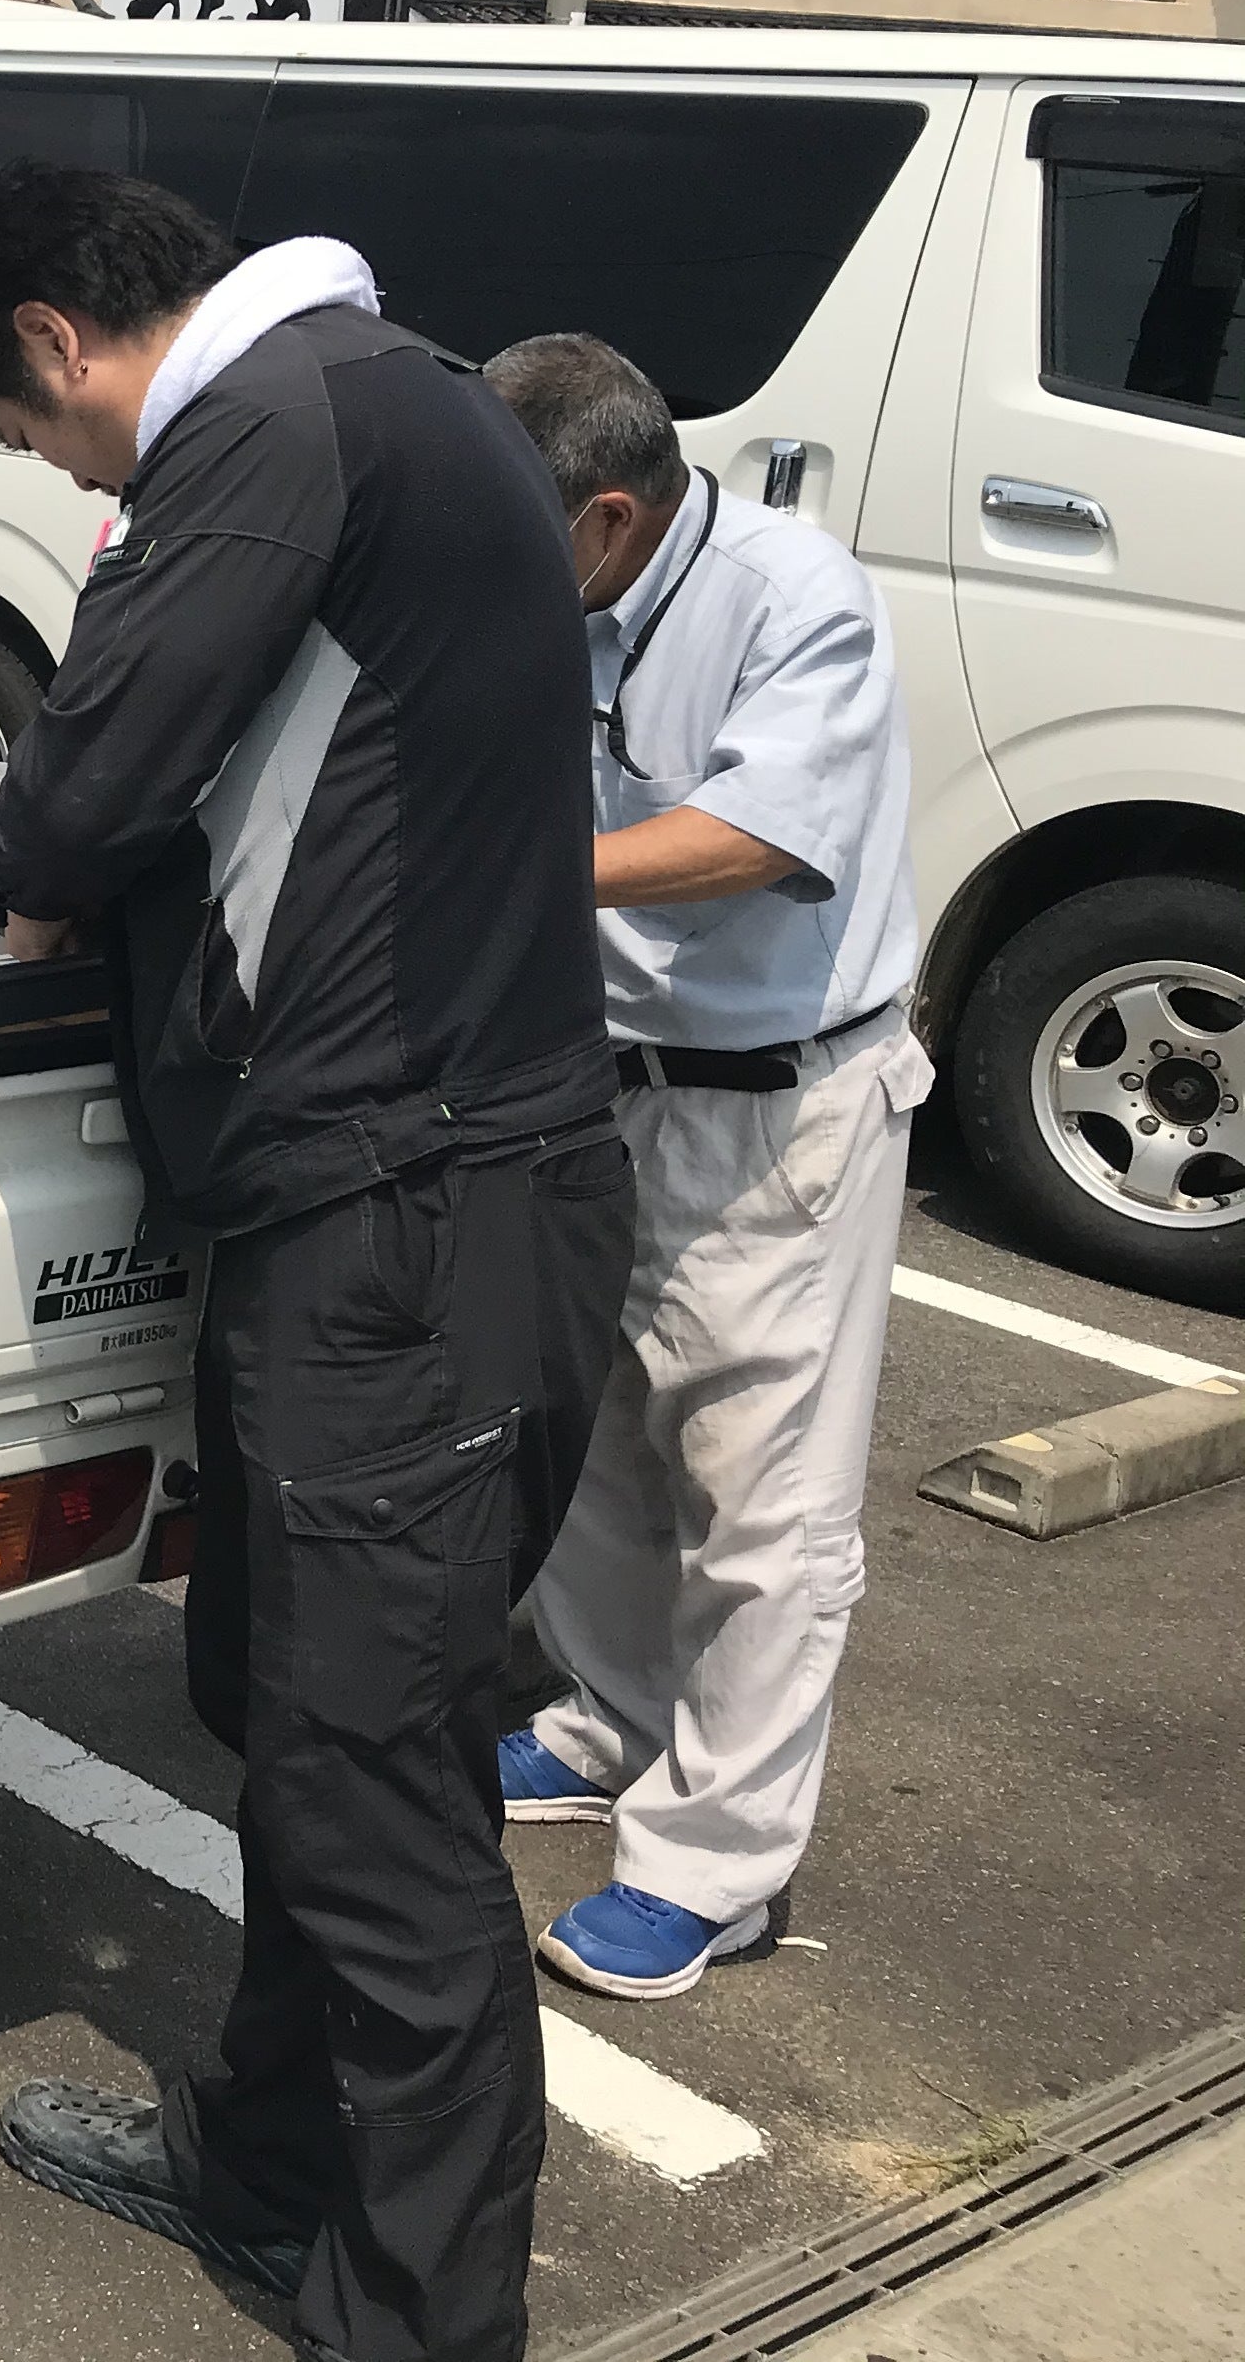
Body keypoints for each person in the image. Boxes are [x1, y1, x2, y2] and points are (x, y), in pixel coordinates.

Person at [0, 169, 628, 2362]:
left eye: (32, 435)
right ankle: (266, 2173)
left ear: (57, 343)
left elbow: (75, 799)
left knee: (373, 1793)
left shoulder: (264, 429)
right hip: (432, 1201)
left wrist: (14, 861)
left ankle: (419, 2320)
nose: (68, 478)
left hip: (405, 1218)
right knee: (307, 1730)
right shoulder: (399, 395)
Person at [483, 333, 928, 2000]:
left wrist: (504, 863)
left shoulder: (793, 596)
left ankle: (720, 1864)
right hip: (600, 1078)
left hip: (775, 1106)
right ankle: (614, 1716)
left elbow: (755, 837)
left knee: (763, 1495)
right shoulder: (558, 596)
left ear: (608, 515)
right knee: (598, 1435)